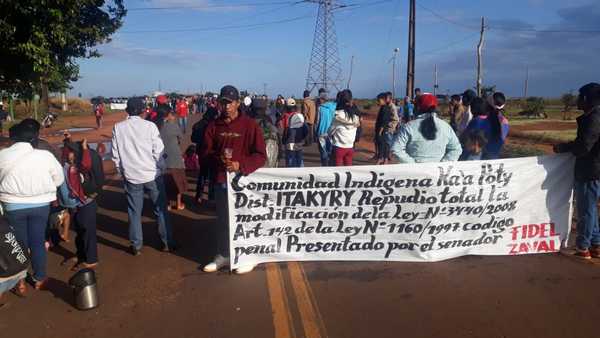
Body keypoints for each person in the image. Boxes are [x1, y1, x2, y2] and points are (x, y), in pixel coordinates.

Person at [201, 85, 266, 274]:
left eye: (230, 103)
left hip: (244, 183)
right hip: (222, 181)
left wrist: (241, 165)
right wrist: (217, 158)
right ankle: (224, 255)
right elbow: (205, 153)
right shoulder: (214, 125)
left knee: (244, 219)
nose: (226, 106)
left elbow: (261, 155)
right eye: (223, 102)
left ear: (238, 103)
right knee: (223, 220)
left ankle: (247, 255)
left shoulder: (250, 125)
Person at [0, 123, 64, 291]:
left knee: (17, 244)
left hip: (13, 205)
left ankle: (19, 281)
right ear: (33, 139)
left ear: (13, 139)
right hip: (41, 205)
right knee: (37, 241)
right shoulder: (45, 156)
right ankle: (39, 278)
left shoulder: (3, 155)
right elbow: (59, 179)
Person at [111, 97, 176, 256]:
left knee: (134, 212)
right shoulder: (150, 126)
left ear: (128, 111)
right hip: (152, 174)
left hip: (132, 176)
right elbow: (158, 151)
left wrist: (123, 172)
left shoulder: (118, 128)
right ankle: (167, 242)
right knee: (160, 210)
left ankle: (136, 245)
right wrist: (161, 168)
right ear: (142, 110)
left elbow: (115, 155)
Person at [554, 82, 600, 259]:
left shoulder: (594, 118)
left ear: (588, 99)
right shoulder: (593, 116)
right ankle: (595, 244)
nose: (577, 100)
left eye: (580, 97)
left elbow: (583, 146)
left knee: (586, 210)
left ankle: (582, 247)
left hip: (590, 171)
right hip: (592, 169)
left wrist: (563, 148)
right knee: (590, 209)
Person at [62, 139, 102, 270]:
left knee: (88, 231)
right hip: (75, 204)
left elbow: (86, 164)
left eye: (72, 152)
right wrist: (67, 140)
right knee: (79, 231)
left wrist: (84, 149)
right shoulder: (66, 165)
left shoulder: (82, 166)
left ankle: (91, 259)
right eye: (68, 152)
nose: (69, 154)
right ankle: (80, 255)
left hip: (86, 202)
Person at [391, 93, 462, 163]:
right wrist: (442, 164)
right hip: (438, 172)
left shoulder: (409, 127)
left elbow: (396, 149)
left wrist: (413, 164)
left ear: (418, 107)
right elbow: (456, 149)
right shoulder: (446, 127)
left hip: (413, 173)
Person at [160, 109, 187, 211]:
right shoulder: (174, 126)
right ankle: (178, 204)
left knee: (165, 182)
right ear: (169, 116)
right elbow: (181, 137)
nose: (175, 117)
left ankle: (167, 204)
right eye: (173, 115)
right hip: (175, 157)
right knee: (178, 181)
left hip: (163, 157)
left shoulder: (160, 126)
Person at [0, 217, 28, 308]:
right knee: (16, 254)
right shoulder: (6, 222)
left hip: (4, 277)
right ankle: (22, 286)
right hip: (23, 266)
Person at [329, 90, 361, 166]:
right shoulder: (355, 117)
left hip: (339, 147)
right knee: (348, 170)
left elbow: (331, 131)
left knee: (337, 171)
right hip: (350, 147)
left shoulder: (338, 115)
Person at [191, 107, 217, 204]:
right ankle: (211, 197)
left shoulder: (198, 124)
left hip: (201, 153)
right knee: (212, 177)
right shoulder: (214, 125)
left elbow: (193, 139)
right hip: (211, 153)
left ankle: (199, 196)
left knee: (202, 174)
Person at [282, 98, 307, 168]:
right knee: (299, 158)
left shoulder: (285, 116)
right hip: (299, 141)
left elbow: (285, 130)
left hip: (289, 142)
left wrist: (283, 140)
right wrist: (303, 138)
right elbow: (305, 129)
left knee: (290, 160)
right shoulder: (299, 115)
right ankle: (301, 174)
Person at [315, 89, 337, 166]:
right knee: (330, 151)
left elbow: (317, 121)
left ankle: (324, 166)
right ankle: (330, 167)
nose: (319, 100)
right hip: (331, 132)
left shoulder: (320, 108)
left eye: (319, 99)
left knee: (323, 152)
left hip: (321, 132)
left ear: (322, 99)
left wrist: (315, 131)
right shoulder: (334, 106)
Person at [374, 93, 398, 164]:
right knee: (383, 144)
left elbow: (395, 119)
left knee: (386, 144)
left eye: (386, 98)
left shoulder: (391, 107)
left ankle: (385, 159)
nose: (378, 101)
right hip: (384, 128)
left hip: (388, 129)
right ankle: (382, 158)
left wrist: (387, 127)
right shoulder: (384, 107)